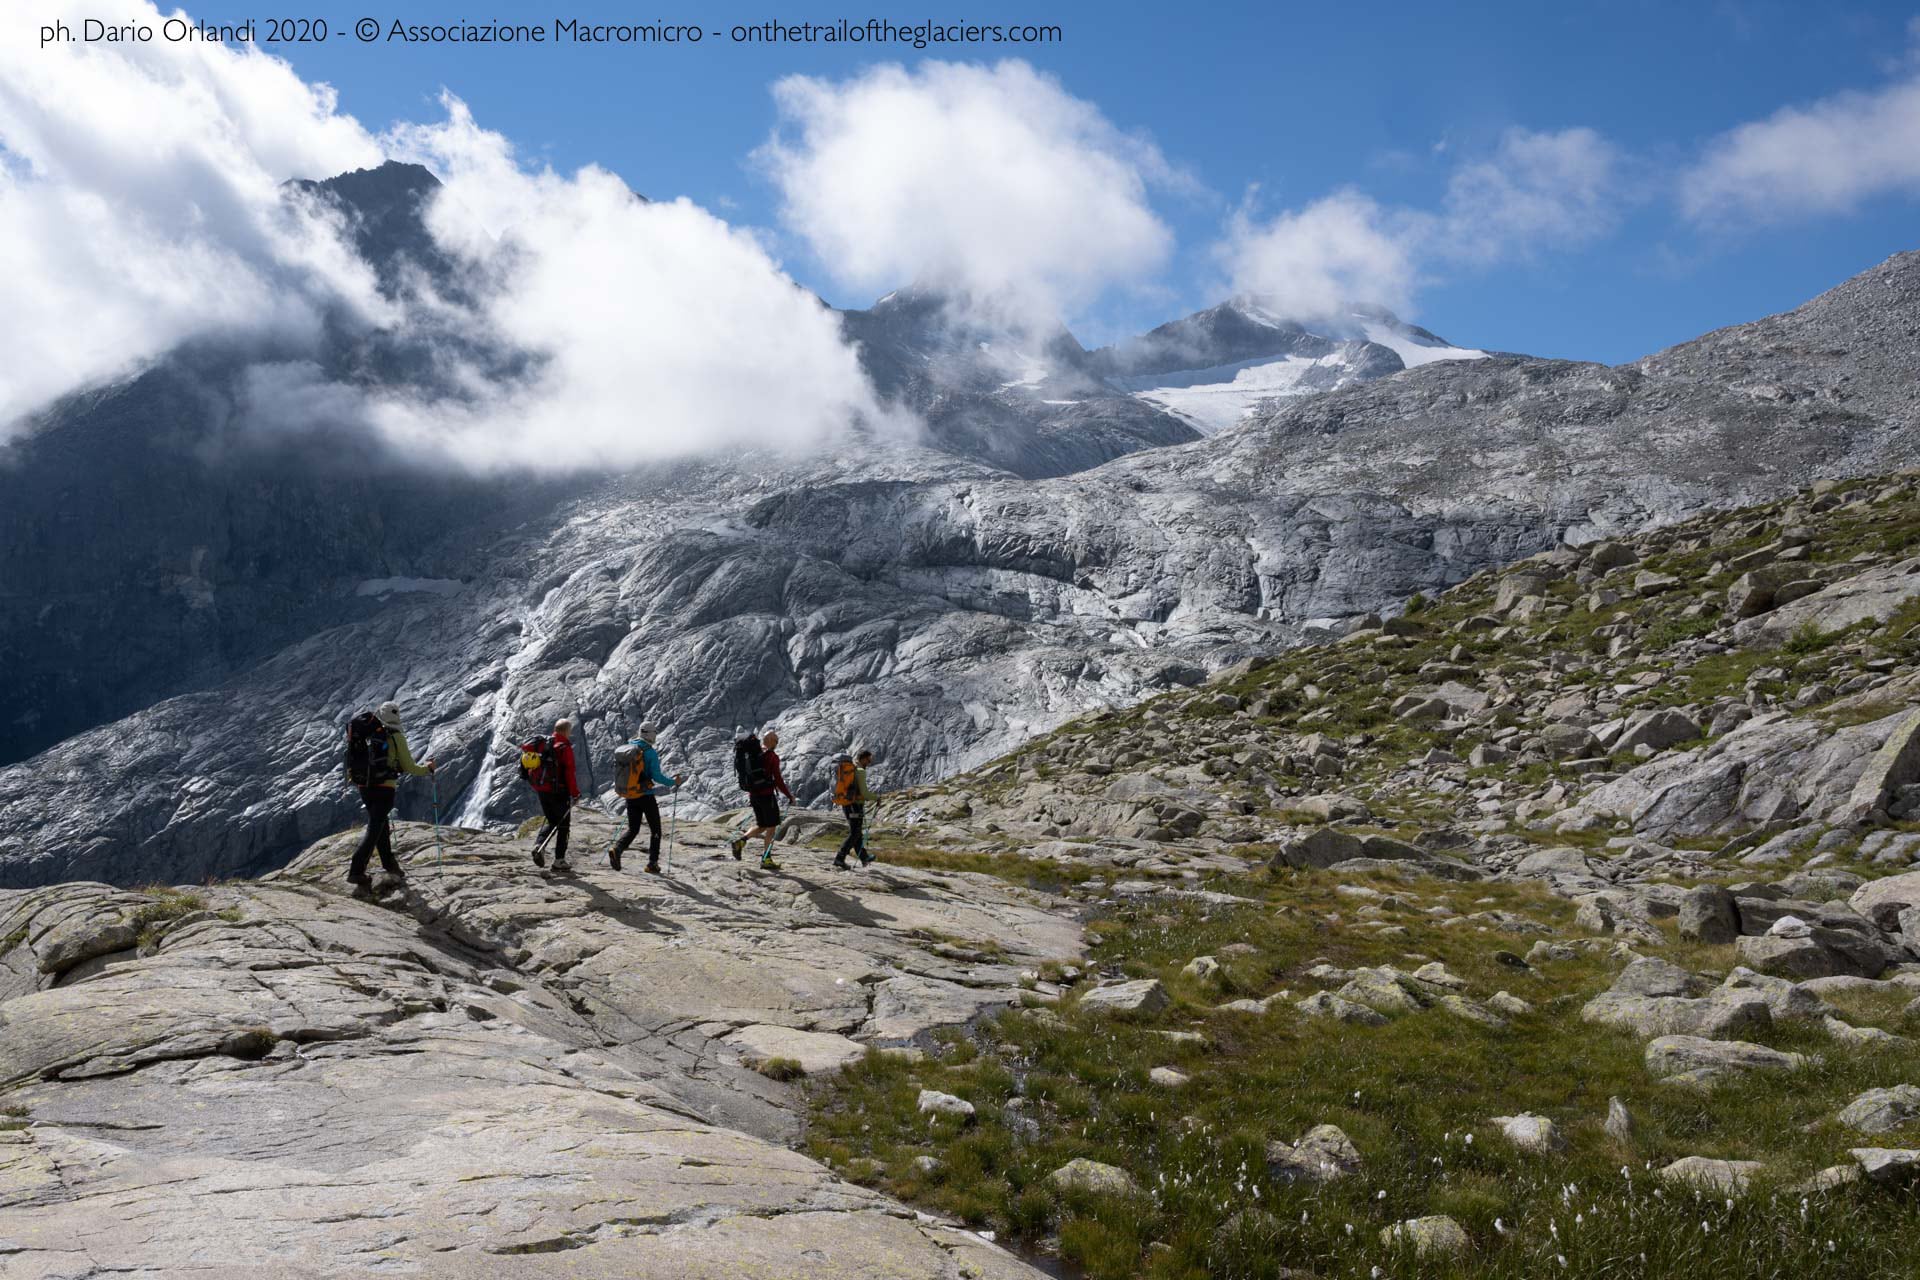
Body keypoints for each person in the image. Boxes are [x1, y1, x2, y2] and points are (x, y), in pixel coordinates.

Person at [349, 701, 435, 892]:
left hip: (364, 786)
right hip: (384, 787)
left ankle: (390, 865)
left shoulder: (369, 735)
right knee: (375, 826)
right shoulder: (395, 736)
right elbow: (409, 767)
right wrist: (428, 769)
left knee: (381, 825)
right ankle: (356, 869)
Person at [610, 725, 682, 874]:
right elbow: (656, 776)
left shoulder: (630, 747)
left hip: (631, 794)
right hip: (646, 796)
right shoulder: (650, 752)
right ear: (651, 735)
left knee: (633, 828)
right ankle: (652, 863)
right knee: (655, 829)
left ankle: (617, 849)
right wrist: (673, 782)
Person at [730, 729, 794, 870]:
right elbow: (778, 779)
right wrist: (789, 796)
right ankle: (766, 859)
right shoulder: (771, 756)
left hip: (754, 795)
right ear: (771, 741)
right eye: (776, 740)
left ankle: (740, 842)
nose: (777, 743)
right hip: (766, 796)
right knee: (771, 827)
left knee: (762, 825)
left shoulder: (755, 754)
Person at [531, 716, 581, 872]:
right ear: (566, 731)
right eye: (569, 731)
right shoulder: (564, 747)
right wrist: (575, 794)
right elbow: (569, 773)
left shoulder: (543, 744)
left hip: (542, 790)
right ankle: (559, 860)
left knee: (552, 820)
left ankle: (539, 845)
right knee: (564, 825)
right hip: (559, 792)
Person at [834, 749, 877, 870]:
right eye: (869, 760)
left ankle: (864, 857)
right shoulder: (860, 771)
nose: (869, 762)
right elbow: (864, 792)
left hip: (847, 804)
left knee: (857, 832)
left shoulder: (852, 770)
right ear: (863, 759)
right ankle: (839, 858)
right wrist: (876, 798)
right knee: (855, 833)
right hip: (855, 806)